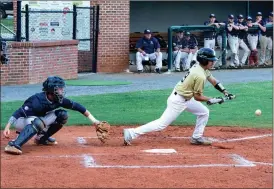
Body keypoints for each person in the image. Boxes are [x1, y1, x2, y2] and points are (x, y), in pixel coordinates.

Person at [123, 48, 235, 146]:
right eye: (211, 61)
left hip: (186, 97)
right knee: (161, 124)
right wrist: (211, 99)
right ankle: (131, 133)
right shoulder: (199, 75)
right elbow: (198, 97)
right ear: (205, 60)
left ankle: (196, 138)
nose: (213, 62)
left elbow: (213, 81)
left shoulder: (200, 67)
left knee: (204, 112)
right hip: (179, 100)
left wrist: (225, 92)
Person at [3, 76, 103, 155]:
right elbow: (18, 113)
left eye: (61, 89)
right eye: (59, 89)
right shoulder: (37, 100)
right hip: (21, 121)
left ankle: (42, 138)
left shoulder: (58, 100)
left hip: (36, 120)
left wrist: (94, 121)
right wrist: (7, 127)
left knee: (62, 115)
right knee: (39, 122)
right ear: (51, 90)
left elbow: (78, 107)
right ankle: (14, 145)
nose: (61, 91)